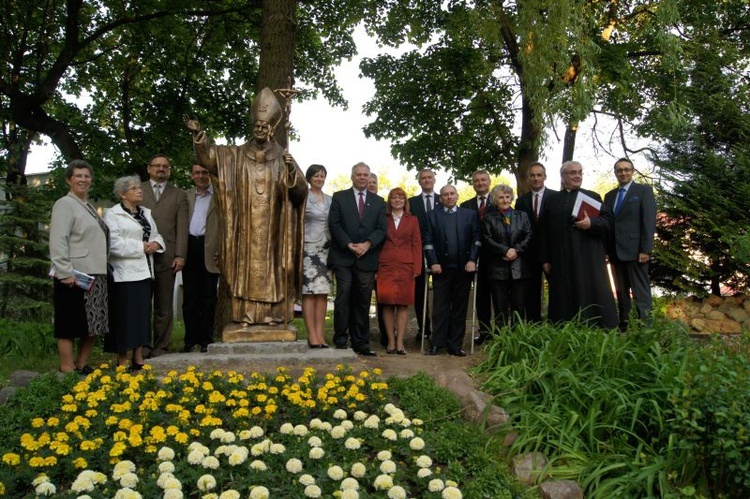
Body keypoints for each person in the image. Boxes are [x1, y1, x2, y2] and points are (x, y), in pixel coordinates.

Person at [186, 88, 307, 336]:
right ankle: (245, 317)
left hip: (274, 229)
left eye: (265, 126)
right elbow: (209, 159)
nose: (260, 129)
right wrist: (199, 136)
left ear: (272, 128)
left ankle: (275, 317)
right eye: (257, 126)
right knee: (244, 271)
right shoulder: (234, 156)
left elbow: (300, 193)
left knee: (274, 271)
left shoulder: (284, 158)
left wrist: (292, 173)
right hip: (244, 228)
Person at [539, 161, 618, 329]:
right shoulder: (551, 200)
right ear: (563, 176)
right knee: (562, 296)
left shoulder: (592, 196)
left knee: (589, 291)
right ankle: (563, 330)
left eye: (580, 172)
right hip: (560, 259)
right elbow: (543, 231)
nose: (577, 176)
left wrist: (592, 223)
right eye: (572, 173)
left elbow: (608, 223)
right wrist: (545, 258)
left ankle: (597, 327)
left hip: (587, 258)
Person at [49, 160, 110, 374]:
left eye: (87, 176)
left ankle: (82, 363)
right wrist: (64, 271)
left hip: (95, 272)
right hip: (74, 273)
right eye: (78, 176)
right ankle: (67, 367)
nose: (83, 179)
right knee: (69, 323)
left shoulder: (88, 206)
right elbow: (58, 240)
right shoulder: (65, 204)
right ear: (69, 179)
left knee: (94, 322)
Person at [104, 175, 165, 370]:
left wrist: (156, 243)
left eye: (140, 187)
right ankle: (122, 359)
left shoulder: (145, 213)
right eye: (134, 188)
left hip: (145, 272)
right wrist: (141, 247)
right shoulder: (112, 214)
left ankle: (138, 357)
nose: (140, 190)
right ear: (122, 194)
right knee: (124, 317)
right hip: (124, 274)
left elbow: (156, 234)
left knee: (141, 316)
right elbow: (114, 244)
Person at [328, 162, 387, 356]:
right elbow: (334, 225)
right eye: (359, 174)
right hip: (343, 255)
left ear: (370, 178)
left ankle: (361, 342)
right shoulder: (339, 197)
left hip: (367, 258)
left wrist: (367, 244)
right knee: (343, 294)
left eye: (366, 175)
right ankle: (341, 339)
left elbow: (381, 229)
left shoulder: (379, 202)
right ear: (352, 177)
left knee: (363, 300)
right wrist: (348, 244)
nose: (362, 178)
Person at [424, 185, 482, 356]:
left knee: (460, 308)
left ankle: (455, 345)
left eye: (452, 194)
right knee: (439, 308)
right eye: (445, 195)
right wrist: (433, 262)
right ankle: (437, 343)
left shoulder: (469, 215)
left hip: (464, 269)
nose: (449, 197)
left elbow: (477, 240)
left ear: (457, 196)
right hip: (441, 270)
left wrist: (472, 260)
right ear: (440, 198)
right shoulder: (432, 216)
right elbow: (427, 241)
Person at [139, 154, 188, 357]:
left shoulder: (178, 195)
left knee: (164, 305)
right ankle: (142, 346)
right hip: (140, 256)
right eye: (157, 166)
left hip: (167, 257)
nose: (161, 169)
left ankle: (161, 346)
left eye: (165, 166)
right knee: (141, 303)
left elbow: (182, 228)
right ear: (148, 168)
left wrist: (180, 255)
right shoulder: (136, 189)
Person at [603, 158, 657, 331]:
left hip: (636, 252)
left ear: (632, 171)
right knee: (621, 293)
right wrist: (606, 250)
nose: (623, 173)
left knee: (640, 293)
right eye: (619, 170)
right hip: (615, 252)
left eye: (627, 169)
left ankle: (646, 329)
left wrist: (645, 249)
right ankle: (624, 326)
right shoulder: (610, 196)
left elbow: (648, 221)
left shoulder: (643, 191)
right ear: (615, 173)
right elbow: (608, 224)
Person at [377, 188, 422, 355]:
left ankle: (400, 342)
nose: (397, 200)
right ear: (389, 201)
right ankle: (390, 340)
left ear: (405, 201)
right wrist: (375, 267)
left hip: (406, 266)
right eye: (394, 198)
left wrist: (417, 267)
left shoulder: (413, 220)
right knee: (387, 303)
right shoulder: (383, 218)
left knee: (403, 304)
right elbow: (377, 243)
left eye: (400, 198)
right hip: (386, 265)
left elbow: (416, 244)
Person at [482, 185, 532, 331]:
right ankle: (501, 338)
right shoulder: (488, 218)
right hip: (498, 268)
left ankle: (517, 339)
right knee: (500, 306)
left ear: (511, 198)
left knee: (519, 306)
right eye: (501, 197)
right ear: (494, 200)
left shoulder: (522, 215)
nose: (505, 200)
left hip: (519, 268)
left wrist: (516, 250)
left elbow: (529, 235)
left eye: (507, 196)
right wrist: (504, 251)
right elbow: (487, 239)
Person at [182, 162, 220, 353]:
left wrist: (222, 249)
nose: (201, 176)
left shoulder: (219, 196)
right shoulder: (186, 196)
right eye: (197, 173)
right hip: (190, 247)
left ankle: (206, 339)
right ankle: (190, 340)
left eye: (204, 172)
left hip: (210, 248)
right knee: (189, 297)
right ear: (192, 176)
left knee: (208, 297)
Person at [514, 162, 557, 322]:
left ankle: (556, 323)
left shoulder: (556, 197)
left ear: (545, 176)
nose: (536, 178)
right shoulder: (521, 201)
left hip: (552, 253)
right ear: (528, 178)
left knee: (556, 290)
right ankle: (534, 325)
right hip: (529, 254)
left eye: (539, 175)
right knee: (531, 293)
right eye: (532, 175)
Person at [459, 169, 495, 343]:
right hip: (472, 257)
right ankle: (485, 331)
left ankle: (501, 331)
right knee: (480, 296)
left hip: (495, 256)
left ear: (489, 181)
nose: (480, 183)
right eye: (476, 181)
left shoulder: (499, 202)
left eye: (483, 180)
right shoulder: (465, 206)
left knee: (498, 294)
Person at [301, 164, 333, 348]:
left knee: (322, 294)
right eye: (316, 176)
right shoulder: (303, 197)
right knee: (309, 293)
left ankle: (320, 335)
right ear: (309, 178)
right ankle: (311, 335)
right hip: (309, 249)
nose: (319, 179)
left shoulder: (330, 199)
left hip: (327, 249)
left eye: (322, 176)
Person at [408, 168, 441, 343]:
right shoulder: (411, 202)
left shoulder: (442, 199)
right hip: (418, 252)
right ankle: (424, 329)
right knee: (419, 292)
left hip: (440, 253)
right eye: (423, 178)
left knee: (441, 292)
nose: (427, 180)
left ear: (434, 180)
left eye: (429, 177)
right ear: (419, 181)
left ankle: (439, 329)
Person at [368, 172, 389, 346]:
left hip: (382, 260)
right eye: (368, 182)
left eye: (374, 182)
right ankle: (361, 333)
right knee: (362, 298)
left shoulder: (383, 204)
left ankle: (385, 335)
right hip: (362, 257)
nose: (371, 185)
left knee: (383, 300)